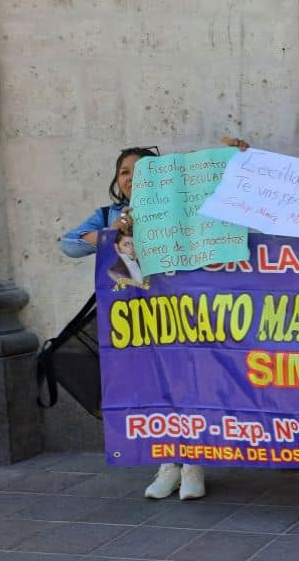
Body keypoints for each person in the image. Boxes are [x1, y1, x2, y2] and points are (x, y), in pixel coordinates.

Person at [62, 139, 250, 501]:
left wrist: (241, 162)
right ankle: (168, 465)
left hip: (185, 316)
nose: (131, 177)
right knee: (154, 386)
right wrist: (111, 233)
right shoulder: (108, 215)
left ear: (159, 176)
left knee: (188, 383)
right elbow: (69, 244)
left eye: (141, 170)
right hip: (139, 322)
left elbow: (232, 216)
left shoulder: (182, 206)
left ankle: (193, 465)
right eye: (124, 172)